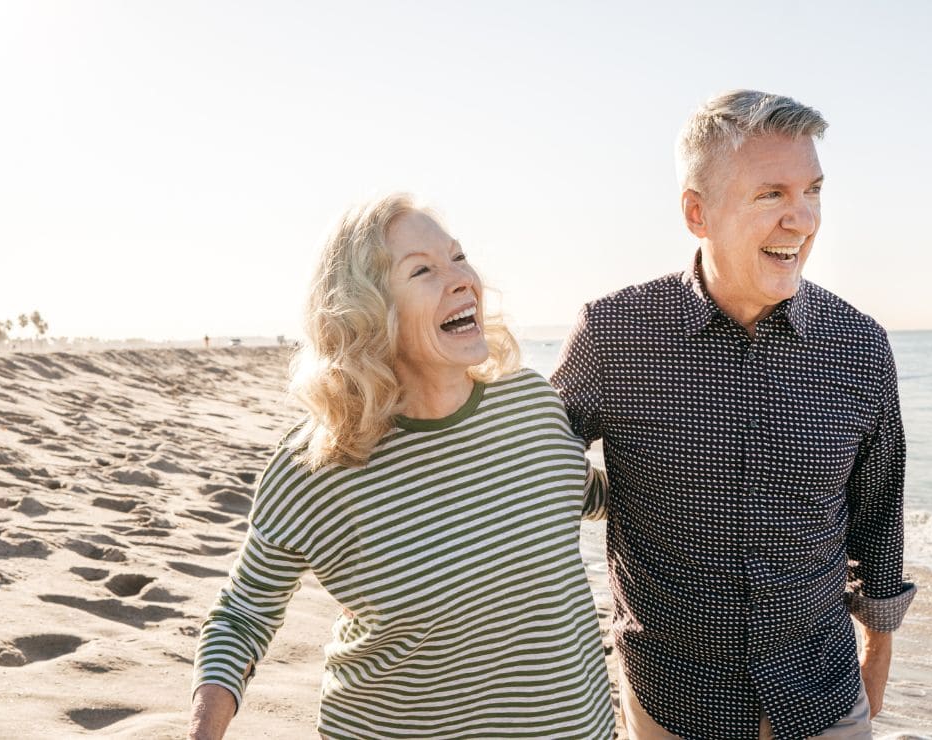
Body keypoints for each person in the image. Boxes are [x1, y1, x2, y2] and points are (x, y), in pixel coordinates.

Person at [551, 90, 916, 740]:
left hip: (824, 692)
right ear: (698, 212)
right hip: (672, 697)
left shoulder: (861, 346)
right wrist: (602, 496)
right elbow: (528, 461)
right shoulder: (614, 335)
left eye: (813, 191)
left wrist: (879, 647)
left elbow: (878, 508)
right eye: (771, 194)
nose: (802, 220)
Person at [189, 194, 615, 739]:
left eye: (459, 258)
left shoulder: (532, 405)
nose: (461, 279)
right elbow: (242, 616)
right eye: (423, 270)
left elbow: (598, 496)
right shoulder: (317, 465)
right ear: (367, 310)